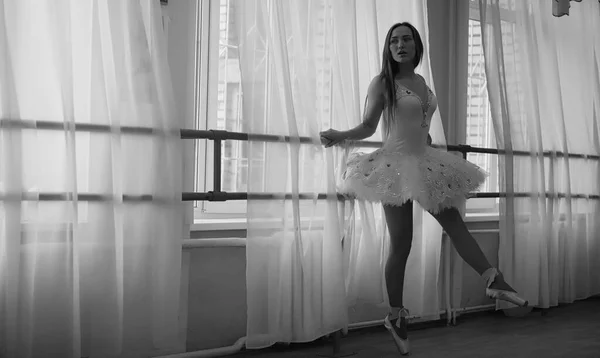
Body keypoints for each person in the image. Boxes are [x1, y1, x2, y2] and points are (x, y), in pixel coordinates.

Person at [320, 22, 527, 356]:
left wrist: (426, 138)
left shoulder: (421, 83)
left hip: (424, 160)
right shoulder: (382, 83)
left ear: (416, 46)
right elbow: (369, 125)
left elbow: (420, 123)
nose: (400, 45)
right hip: (394, 166)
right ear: (388, 49)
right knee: (402, 244)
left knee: (455, 224)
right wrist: (340, 135)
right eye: (394, 41)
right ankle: (396, 315)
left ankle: (494, 280)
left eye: (406, 39)